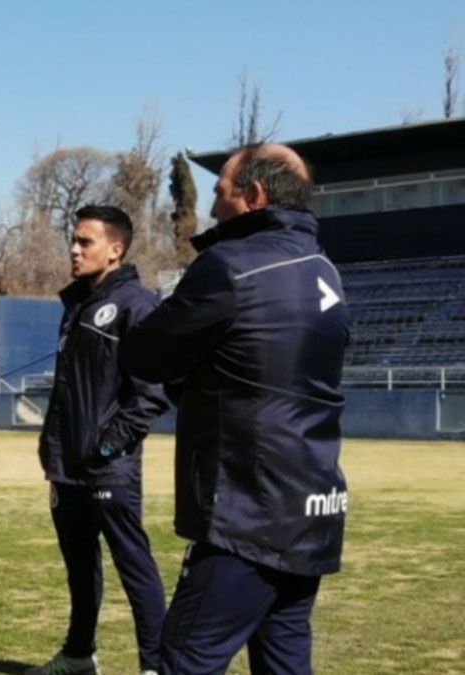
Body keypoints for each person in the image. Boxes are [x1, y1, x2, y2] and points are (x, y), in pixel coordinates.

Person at [121, 143, 351, 674]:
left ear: (254, 195)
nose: (211, 209)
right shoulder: (327, 272)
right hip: (311, 509)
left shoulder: (232, 266)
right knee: (285, 660)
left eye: (221, 194)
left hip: (245, 513)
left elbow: (145, 352)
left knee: (182, 660)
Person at [27, 205, 169, 675]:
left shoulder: (137, 305)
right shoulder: (78, 306)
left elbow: (152, 393)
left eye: (85, 241)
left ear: (115, 248)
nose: (73, 248)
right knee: (80, 570)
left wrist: (108, 446)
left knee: (135, 568)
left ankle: (155, 665)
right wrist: (53, 447)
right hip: (66, 467)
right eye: (73, 239)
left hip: (109, 469)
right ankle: (78, 655)